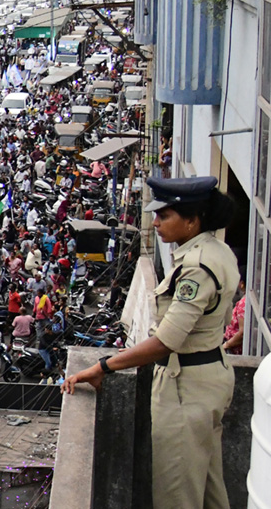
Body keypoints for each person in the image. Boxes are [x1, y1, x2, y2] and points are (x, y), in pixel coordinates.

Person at [63, 176, 239, 509]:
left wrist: (103, 367)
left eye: (165, 216)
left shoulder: (197, 267)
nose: (155, 223)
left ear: (191, 219)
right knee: (209, 489)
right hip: (208, 378)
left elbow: (166, 342)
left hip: (186, 389)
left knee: (177, 496)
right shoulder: (216, 251)